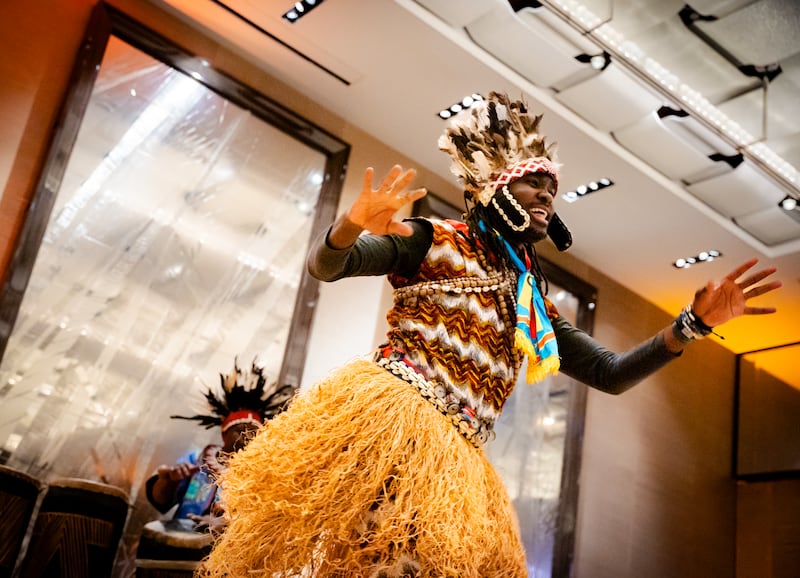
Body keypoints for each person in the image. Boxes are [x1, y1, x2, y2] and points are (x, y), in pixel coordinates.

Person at [199, 92, 782, 577]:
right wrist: (350, 225)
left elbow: (610, 373)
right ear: (496, 191)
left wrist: (694, 325)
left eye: (552, 191)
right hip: (393, 424)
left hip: (459, 455)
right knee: (366, 560)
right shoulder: (435, 239)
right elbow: (328, 268)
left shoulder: (529, 296)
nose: (548, 197)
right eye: (535, 185)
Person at [143, 358, 294, 539]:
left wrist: (228, 523)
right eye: (239, 429)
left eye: (253, 431)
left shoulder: (268, 473)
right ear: (225, 434)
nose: (247, 435)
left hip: (229, 554)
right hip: (180, 543)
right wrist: (168, 480)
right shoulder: (197, 461)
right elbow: (160, 500)